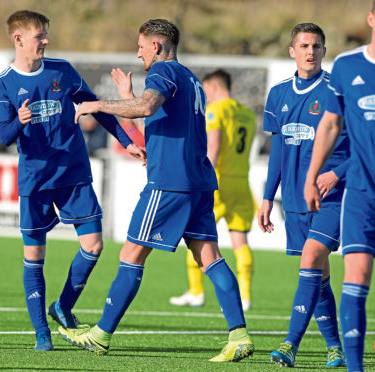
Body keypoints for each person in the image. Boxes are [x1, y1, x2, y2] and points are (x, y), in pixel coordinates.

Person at [58, 19, 254, 362]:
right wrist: (126, 99)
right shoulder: (191, 79)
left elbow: (147, 107)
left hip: (169, 184)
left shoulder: (162, 72)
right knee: (210, 256)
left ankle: (100, 335)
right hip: (198, 182)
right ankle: (239, 335)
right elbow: (158, 116)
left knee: (130, 255)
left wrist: (97, 105)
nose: (138, 52)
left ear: (157, 47)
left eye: (141, 45)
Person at [0, 10, 145, 352]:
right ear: (18, 40)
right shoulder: (1, 84)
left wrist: (128, 141)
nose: (46, 41)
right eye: (39, 36)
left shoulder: (63, 70)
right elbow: (3, 135)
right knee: (34, 256)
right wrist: (20, 120)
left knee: (94, 246)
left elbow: (96, 109)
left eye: (46, 35)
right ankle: (42, 332)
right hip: (35, 179)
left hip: (73, 172)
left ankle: (62, 306)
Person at [258, 23, 349, 368]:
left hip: (334, 197)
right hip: (295, 199)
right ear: (292, 51)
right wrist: (268, 196)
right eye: (304, 45)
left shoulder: (335, 91)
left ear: (324, 52)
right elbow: (278, 151)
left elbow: (366, 146)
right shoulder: (278, 94)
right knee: (318, 273)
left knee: (311, 259)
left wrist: (337, 172)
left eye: (317, 46)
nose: (311, 51)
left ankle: (290, 344)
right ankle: (335, 348)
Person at [304, 3, 375, 371]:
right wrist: (313, 174)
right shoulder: (347, 67)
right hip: (362, 195)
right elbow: (330, 124)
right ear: (371, 19)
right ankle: (355, 369)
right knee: (357, 278)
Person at [169, 69, 256, 311]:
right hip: (241, 180)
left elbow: (213, 147)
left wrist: (200, 177)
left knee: (197, 234)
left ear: (213, 87)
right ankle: (246, 295)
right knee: (240, 238)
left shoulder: (216, 110)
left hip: (217, 181)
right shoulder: (247, 114)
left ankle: (197, 292)